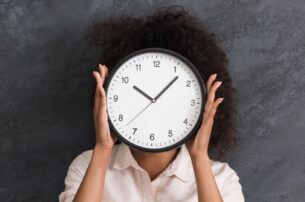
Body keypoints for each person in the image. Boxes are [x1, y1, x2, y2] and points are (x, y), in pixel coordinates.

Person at [59, 5, 244, 202]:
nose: (155, 103)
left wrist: (199, 157)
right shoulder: (87, 165)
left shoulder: (222, 178)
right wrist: (102, 150)